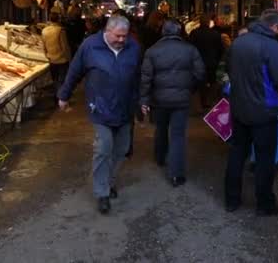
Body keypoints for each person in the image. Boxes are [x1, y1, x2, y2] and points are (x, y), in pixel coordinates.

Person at [58, 15, 141, 215]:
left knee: (121, 149)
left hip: (125, 108)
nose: (122, 40)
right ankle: (102, 193)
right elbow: (74, 71)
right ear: (107, 31)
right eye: (118, 36)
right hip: (100, 107)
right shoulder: (90, 46)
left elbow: (140, 77)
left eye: (125, 36)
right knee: (104, 147)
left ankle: (109, 181)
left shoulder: (134, 47)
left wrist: (142, 101)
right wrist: (64, 95)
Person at [225, 9, 278, 217]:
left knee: (237, 153)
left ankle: (231, 200)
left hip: (239, 108)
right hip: (264, 111)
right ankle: (265, 204)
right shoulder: (273, 46)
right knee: (265, 159)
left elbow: (230, 71)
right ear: (275, 26)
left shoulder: (238, 42)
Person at [140, 19, 205, 187]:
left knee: (160, 128)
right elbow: (200, 73)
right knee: (178, 135)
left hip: (158, 99)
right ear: (180, 32)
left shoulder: (152, 51)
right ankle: (176, 174)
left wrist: (144, 99)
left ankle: (160, 157)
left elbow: (145, 79)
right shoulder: (190, 50)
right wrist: (188, 88)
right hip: (181, 100)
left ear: (163, 32)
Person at [189, 14, 224, 109]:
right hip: (212, 62)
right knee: (212, 81)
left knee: (200, 83)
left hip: (198, 62)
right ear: (209, 23)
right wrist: (217, 59)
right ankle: (210, 101)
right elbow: (221, 49)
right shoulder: (215, 34)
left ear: (200, 22)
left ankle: (201, 101)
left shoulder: (194, 33)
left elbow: (190, 48)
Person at [41, 12, 71, 103]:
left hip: (51, 59)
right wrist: (69, 58)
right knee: (62, 79)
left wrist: (47, 55)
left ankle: (56, 97)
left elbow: (44, 46)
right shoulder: (60, 30)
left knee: (55, 79)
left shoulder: (44, 31)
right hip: (62, 59)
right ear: (58, 19)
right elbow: (64, 46)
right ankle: (60, 97)